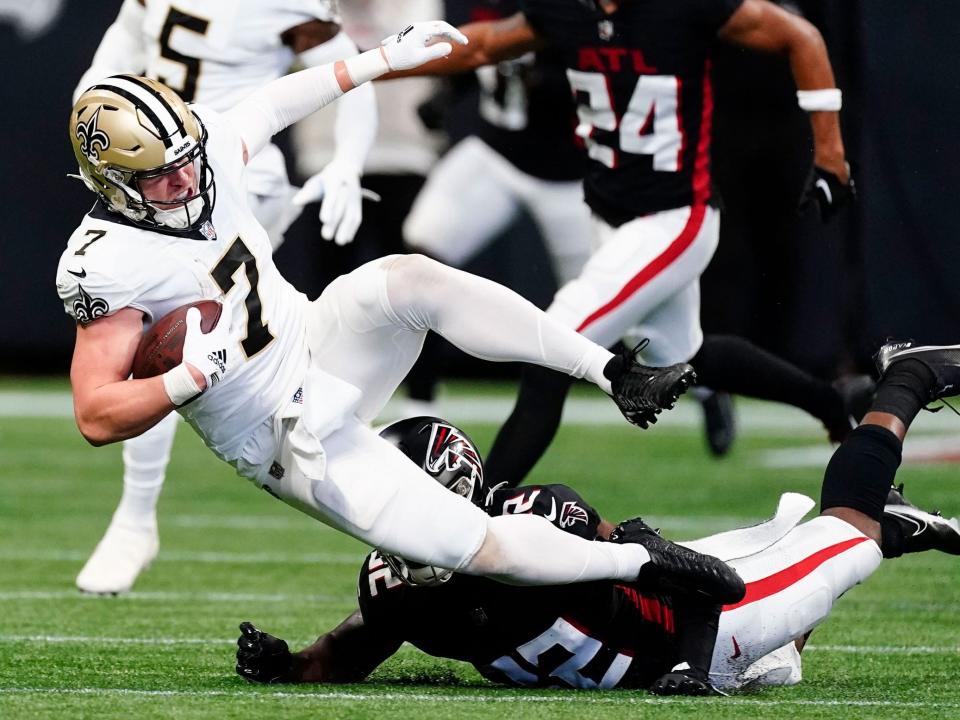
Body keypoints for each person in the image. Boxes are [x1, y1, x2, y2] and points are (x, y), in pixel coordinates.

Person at [57, 26, 744, 613]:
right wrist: (187, 380)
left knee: (407, 276)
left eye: (184, 161)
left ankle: (612, 371)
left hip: (315, 340)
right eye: (159, 177)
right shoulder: (107, 263)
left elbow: (277, 99)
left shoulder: (200, 151)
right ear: (110, 183)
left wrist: (385, 59)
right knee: (478, 548)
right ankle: (641, 563)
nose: (184, 181)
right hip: (278, 436)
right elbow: (96, 414)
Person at [233, 346, 960, 693]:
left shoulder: (536, 517)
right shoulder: (390, 584)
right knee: (782, 665)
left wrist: (694, 667)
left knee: (846, 530)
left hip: (705, 623)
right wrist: (290, 664)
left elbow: (686, 578)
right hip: (647, 655)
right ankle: (899, 523)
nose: (397, 524)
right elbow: (353, 649)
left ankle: (910, 380)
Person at [386, 0, 862, 489]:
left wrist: (830, 153)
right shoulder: (568, 12)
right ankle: (831, 401)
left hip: (674, 218)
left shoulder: (687, 10)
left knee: (550, 351)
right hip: (607, 212)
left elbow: (800, 36)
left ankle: (472, 522)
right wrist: (367, 69)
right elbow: (481, 46)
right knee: (684, 356)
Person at [70, 0, 379, 594]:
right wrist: (91, 120)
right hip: (147, 182)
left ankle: (139, 516)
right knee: (159, 336)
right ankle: (310, 424)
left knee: (176, 336)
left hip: (229, 175)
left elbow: (345, 70)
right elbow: (124, 38)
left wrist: (349, 163)